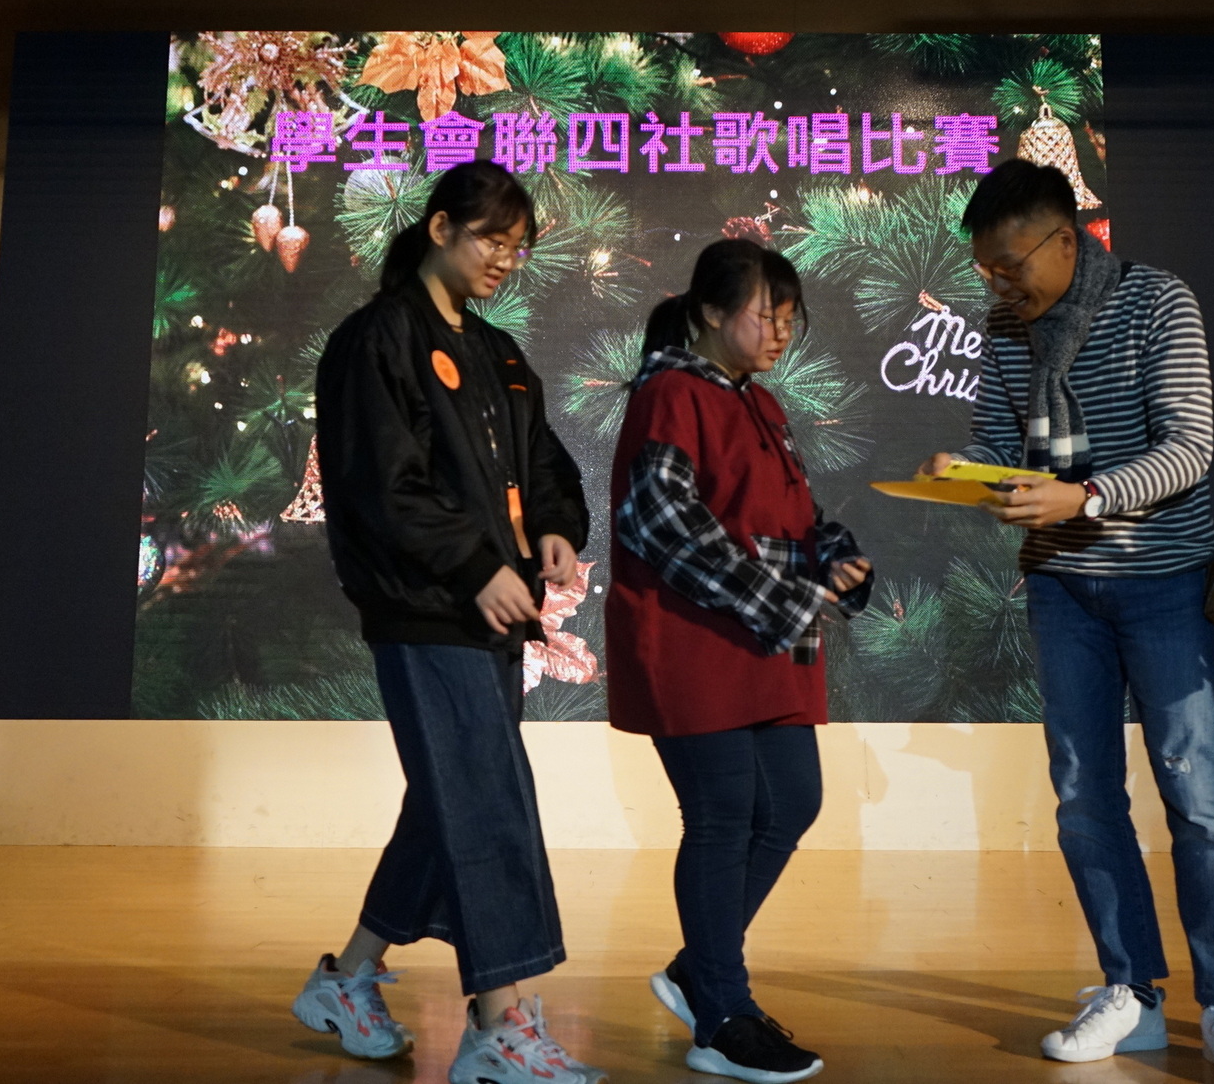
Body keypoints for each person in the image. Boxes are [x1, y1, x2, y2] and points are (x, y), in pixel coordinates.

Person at [922, 158, 1214, 1083]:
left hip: (1164, 580)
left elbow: (1189, 448)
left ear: (1064, 237)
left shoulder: (1157, 301)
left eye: (1010, 266)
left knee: (1196, 793)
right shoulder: (1005, 327)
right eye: (986, 270)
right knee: (1084, 796)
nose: (999, 286)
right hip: (1061, 586)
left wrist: (1082, 497)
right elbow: (1003, 442)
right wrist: (966, 468)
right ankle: (1132, 990)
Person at [301, 161, 606, 1084]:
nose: (505, 258)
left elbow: (544, 461)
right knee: (481, 797)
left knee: (451, 796)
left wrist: (555, 527)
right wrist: (476, 566)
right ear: (439, 228)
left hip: (490, 609)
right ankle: (498, 1025)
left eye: (519, 246)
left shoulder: (498, 350)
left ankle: (346, 978)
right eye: (490, 239)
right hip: (423, 607)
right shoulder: (377, 338)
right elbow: (381, 486)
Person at [606, 238, 872, 1084]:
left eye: (790, 317)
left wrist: (835, 556)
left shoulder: (761, 401)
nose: (781, 331)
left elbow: (794, 514)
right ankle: (722, 1012)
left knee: (792, 800)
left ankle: (699, 971)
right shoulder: (670, 394)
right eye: (767, 314)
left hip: (766, 641)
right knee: (722, 813)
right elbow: (662, 524)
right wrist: (780, 597)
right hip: (697, 641)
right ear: (711, 312)